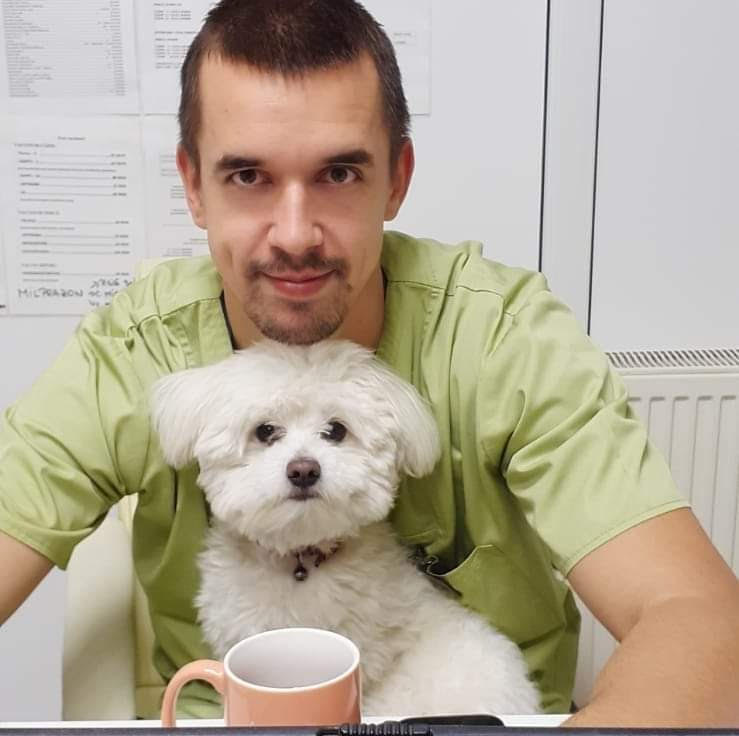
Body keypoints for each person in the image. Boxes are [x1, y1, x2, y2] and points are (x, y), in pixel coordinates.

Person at [1, 0, 737, 726]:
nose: (295, 235)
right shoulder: (134, 351)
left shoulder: (502, 338)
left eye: (338, 174)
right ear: (194, 186)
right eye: (248, 176)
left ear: (396, 178)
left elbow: (699, 616)